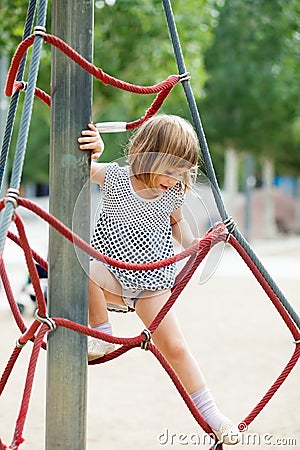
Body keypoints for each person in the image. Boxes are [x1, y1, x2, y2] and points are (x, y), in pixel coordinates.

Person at [78, 115, 240, 445]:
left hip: (150, 283)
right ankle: (102, 332)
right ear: (146, 154)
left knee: (177, 348)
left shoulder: (173, 195)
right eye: (169, 170)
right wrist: (95, 149)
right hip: (110, 277)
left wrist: (196, 244)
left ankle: (213, 416)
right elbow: (81, 167)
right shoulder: (116, 177)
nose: (175, 179)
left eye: (182, 173)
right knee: (83, 268)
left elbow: (179, 227)